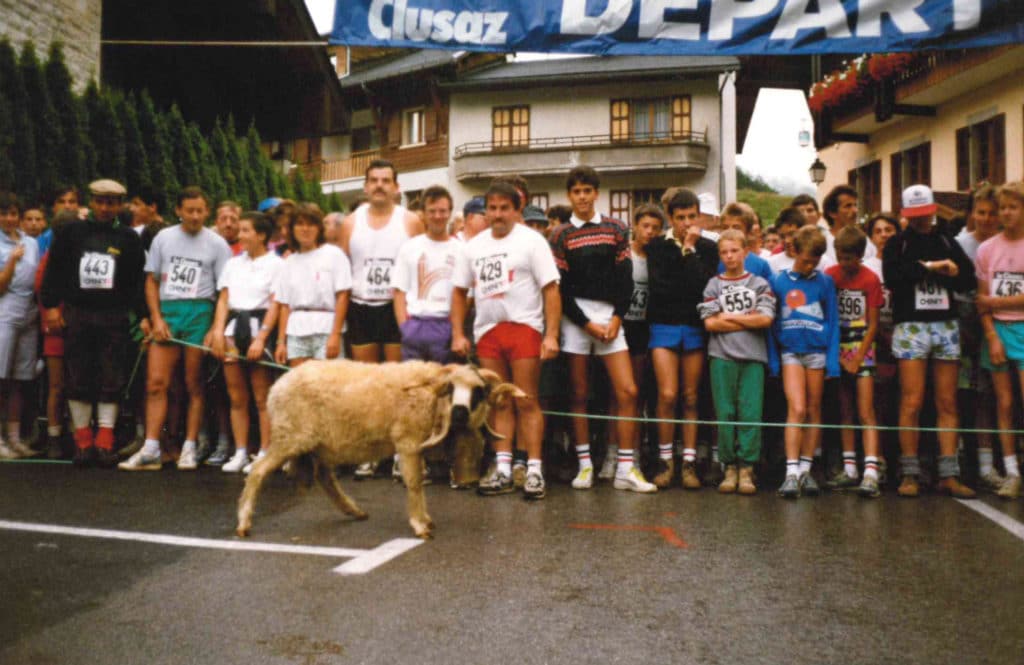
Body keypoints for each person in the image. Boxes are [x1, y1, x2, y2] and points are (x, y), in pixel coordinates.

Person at [451, 181, 561, 500]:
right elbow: (459, 292)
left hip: (524, 326)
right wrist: (458, 332)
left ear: (516, 210)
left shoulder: (531, 241)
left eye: (504, 208)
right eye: (493, 208)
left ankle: (534, 470)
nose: (498, 215)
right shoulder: (473, 246)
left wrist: (551, 335)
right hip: (488, 330)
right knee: (498, 401)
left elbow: (551, 289)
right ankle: (502, 468)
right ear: (486, 210)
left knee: (526, 399)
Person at [549, 165, 653, 493]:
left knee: (628, 391)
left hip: (610, 317)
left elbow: (625, 279)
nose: (582, 197)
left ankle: (625, 468)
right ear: (570, 195)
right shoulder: (560, 235)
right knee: (579, 393)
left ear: (596, 193)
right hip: (577, 319)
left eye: (587, 191)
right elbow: (560, 289)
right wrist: (585, 323)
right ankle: (585, 466)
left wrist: (616, 319)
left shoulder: (616, 228)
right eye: (576, 192)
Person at [119, 186, 232, 471]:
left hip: (199, 312)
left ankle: (189, 447)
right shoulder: (163, 238)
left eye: (200, 211)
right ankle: (151, 447)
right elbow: (151, 281)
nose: (195, 216)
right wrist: (156, 318)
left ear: (207, 212)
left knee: (194, 383)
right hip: (169, 312)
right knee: (156, 383)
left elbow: (225, 291)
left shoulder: (218, 244)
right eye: (189, 210)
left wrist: (216, 328)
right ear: (178, 211)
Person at [39, 180, 148, 466]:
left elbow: (137, 283)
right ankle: (83, 442)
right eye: (100, 201)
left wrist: (144, 315)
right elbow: (54, 271)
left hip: (114, 316)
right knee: (78, 376)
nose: (104, 207)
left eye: (111, 202)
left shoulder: (128, 238)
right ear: (92, 201)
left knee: (112, 377)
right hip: (78, 313)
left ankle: (104, 442)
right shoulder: (71, 233)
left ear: (119, 205)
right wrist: (51, 307)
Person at [883, 184, 976, 498]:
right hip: (911, 325)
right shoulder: (898, 243)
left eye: (925, 214)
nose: (922, 220)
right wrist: (927, 268)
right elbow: (892, 278)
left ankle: (948, 473)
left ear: (933, 211)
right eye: (915, 216)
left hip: (944, 323)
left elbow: (969, 278)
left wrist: (951, 272)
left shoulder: (947, 240)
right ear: (907, 215)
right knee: (912, 400)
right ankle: (910, 473)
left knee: (947, 402)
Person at [340, 159, 423, 478]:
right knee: (366, 385)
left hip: (396, 308)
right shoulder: (351, 222)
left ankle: (401, 452)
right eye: (373, 180)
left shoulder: (410, 221)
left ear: (396, 186)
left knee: (397, 384)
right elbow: (343, 269)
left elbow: (419, 263)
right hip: (362, 307)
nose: (379, 186)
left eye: (385, 180)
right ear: (365, 186)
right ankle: (370, 451)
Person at [646, 189, 719, 489]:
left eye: (692, 217)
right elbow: (662, 288)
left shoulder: (707, 247)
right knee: (667, 395)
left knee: (691, 397)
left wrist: (689, 250)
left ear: (698, 216)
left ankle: (688, 462)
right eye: (680, 218)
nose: (687, 223)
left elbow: (704, 285)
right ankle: (666, 460)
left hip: (694, 326)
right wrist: (686, 266)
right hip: (663, 325)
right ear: (670, 218)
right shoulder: (657, 248)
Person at [699, 229, 775, 495]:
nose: (730, 256)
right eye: (724, 252)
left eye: (734, 251)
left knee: (750, 413)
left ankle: (747, 468)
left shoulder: (760, 284)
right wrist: (746, 318)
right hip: (721, 357)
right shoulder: (713, 285)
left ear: (745, 252)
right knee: (725, 413)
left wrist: (728, 317)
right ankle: (728, 466)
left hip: (753, 358)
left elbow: (765, 319)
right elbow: (709, 323)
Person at [209, 211, 283, 473]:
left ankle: (264, 451)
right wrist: (218, 331)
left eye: (245, 231)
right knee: (236, 396)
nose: (239, 235)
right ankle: (240, 451)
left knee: (261, 396)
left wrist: (261, 338)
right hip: (233, 330)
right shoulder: (233, 264)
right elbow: (224, 300)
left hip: (257, 329)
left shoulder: (276, 264)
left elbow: (276, 304)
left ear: (261, 235)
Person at [768, 226, 839, 498]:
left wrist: (832, 361)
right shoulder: (779, 281)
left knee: (813, 408)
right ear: (794, 252)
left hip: (817, 353)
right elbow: (772, 326)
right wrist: (774, 361)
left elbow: (832, 323)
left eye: (815, 261)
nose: (810, 265)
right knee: (796, 408)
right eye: (806, 259)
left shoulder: (824, 282)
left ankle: (808, 469)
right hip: (790, 352)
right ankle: (791, 471)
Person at [824, 226, 885, 497]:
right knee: (845, 410)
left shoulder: (870, 280)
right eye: (841, 257)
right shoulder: (830, 276)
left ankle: (870, 470)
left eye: (850, 258)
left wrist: (859, 357)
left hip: (862, 346)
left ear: (861, 256)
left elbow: (874, 324)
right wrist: (835, 354)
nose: (845, 263)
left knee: (866, 410)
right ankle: (849, 469)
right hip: (838, 344)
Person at [974, 181, 1024, 500]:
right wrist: (991, 335)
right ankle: (1011, 472)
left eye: (1013, 207)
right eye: (1002, 207)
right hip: (997, 332)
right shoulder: (986, 249)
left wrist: (998, 303)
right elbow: (982, 301)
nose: (1006, 213)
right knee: (1003, 403)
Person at [611, 203, 664, 480]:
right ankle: (611, 453)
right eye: (645, 226)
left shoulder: (656, 257)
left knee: (637, 395)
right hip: (621, 324)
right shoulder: (624, 254)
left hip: (643, 328)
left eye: (656, 228)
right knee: (616, 394)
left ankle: (632, 456)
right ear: (635, 226)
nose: (650, 232)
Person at [273, 203, 351, 368]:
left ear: (319, 228)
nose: (305, 229)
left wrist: (335, 335)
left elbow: (343, 296)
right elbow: (284, 305)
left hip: (326, 328)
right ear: (292, 229)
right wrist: (281, 342)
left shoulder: (333, 255)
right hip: (296, 331)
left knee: (327, 384)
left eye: (310, 224)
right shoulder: (288, 262)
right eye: (300, 224)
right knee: (301, 386)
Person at [393, 185, 458, 364]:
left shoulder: (460, 249)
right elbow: (399, 291)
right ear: (423, 213)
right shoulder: (410, 247)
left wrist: (454, 325)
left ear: (450, 212)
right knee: (413, 385)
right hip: (415, 324)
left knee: (442, 384)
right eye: (432, 211)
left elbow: (465, 293)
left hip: (445, 323)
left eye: (443, 211)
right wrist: (404, 326)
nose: (438, 216)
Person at [0, 191, 41, 459]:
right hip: (5, 310)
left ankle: (14, 438)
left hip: (29, 313)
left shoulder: (32, 243)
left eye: (13, 213)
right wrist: (12, 261)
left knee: (18, 379)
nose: (9, 218)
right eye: (3, 214)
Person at [719, 202, 772, 281]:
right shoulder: (713, 261)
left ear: (748, 231)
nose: (730, 232)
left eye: (736, 228)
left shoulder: (760, 265)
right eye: (725, 227)